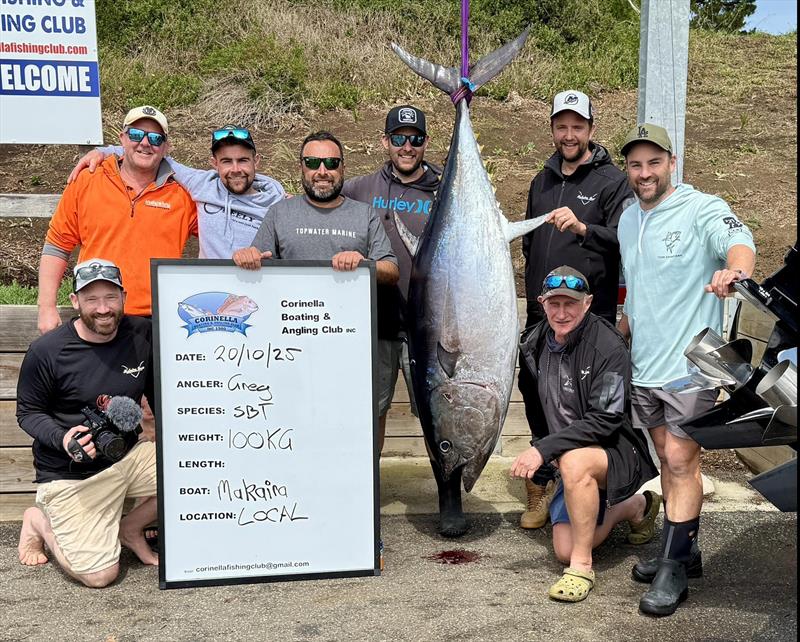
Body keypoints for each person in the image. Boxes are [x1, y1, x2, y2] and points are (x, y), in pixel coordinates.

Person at [617, 123, 756, 616]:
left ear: (671, 163)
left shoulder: (701, 209)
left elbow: (739, 240)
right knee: (664, 455)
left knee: (680, 459)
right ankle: (686, 548)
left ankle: (674, 568)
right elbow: (635, 289)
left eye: (654, 162)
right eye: (635, 164)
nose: (644, 172)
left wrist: (734, 271)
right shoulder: (627, 220)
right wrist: (620, 330)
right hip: (644, 366)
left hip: (693, 366)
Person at [518, 90, 635, 531]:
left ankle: (590, 483)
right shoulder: (542, 179)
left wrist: (586, 229)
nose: (569, 135)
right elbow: (530, 243)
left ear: (591, 129)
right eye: (561, 126)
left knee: (585, 405)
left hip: (590, 319)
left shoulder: (611, 180)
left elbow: (627, 238)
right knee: (535, 393)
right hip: (541, 316)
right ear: (552, 128)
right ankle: (541, 483)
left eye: (577, 126)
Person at [510, 265, 660, 603]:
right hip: (569, 457)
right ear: (541, 302)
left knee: (576, 464)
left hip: (615, 451)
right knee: (563, 546)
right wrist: (547, 456)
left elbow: (605, 420)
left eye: (571, 304)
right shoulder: (533, 343)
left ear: (588, 303)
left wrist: (542, 450)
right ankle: (635, 507)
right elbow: (539, 411)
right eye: (554, 304)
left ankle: (581, 569)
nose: (562, 313)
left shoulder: (608, 346)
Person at [16, 259, 158, 587]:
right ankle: (38, 521)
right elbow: (27, 412)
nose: (103, 308)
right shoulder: (48, 351)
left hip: (127, 457)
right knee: (100, 576)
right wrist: (63, 438)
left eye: (111, 297)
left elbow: (159, 390)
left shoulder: (142, 334)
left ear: (124, 296)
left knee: (199, 467)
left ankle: (131, 527)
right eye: (92, 299)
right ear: (75, 301)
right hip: (70, 474)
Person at [38, 105, 197, 333]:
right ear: (122, 139)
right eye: (135, 134)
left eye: (155, 138)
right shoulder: (87, 180)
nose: (144, 143)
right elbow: (57, 245)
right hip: (97, 315)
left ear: (166, 147)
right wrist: (46, 308)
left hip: (157, 322)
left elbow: (218, 234)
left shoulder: (183, 195)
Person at [341, 105, 441, 452]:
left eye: (415, 139)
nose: (407, 146)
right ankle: (369, 497)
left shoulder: (444, 190)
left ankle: (448, 497)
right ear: (385, 141)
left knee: (438, 415)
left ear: (425, 142)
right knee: (371, 414)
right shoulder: (360, 189)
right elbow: (320, 202)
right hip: (376, 325)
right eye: (399, 138)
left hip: (429, 330)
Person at [68, 124, 286, 259]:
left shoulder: (278, 205)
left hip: (260, 290)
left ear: (256, 161)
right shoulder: (202, 184)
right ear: (214, 163)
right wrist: (104, 151)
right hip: (213, 294)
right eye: (226, 161)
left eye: (243, 160)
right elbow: (155, 155)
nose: (235, 169)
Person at [233, 130, 399, 287]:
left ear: (343, 169)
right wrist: (247, 257)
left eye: (331, 163)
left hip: (349, 315)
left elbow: (391, 271)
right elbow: (257, 261)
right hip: (292, 313)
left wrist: (365, 265)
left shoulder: (365, 214)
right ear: (301, 168)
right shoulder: (279, 212)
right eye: (312, 163)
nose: (322, 171)